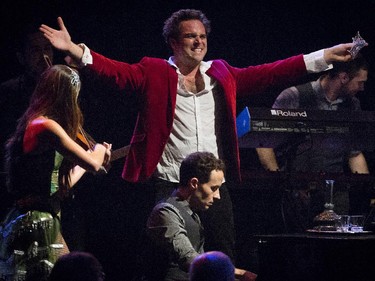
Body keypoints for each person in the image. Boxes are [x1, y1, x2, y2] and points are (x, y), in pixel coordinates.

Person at [39, 9, 361, 263]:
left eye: (203, 36)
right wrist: (75, 49)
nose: (198, 42)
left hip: (213, 187)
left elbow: (272, 71)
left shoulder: (220, 73)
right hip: (170, 184)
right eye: (190, 37)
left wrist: (324, 56)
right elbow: (114, 70)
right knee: (167, 260)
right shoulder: (154, 71)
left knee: (221, 256)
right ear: (174, 43)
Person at [0, 65, 111, 281]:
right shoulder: (45, 125)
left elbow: (64, 184)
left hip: (47, 217)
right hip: (35, 221)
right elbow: (93, 164)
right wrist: (98, 151)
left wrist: (92, 160)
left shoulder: (43, 124)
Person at [256, 55, 370, 230]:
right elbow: (263, 142)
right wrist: (280, 181)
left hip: (335, 194)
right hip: (298, 193)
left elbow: (354, 152)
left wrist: (369, 191)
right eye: (360, 82)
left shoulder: (352, 105)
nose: (362, 88)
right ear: (343, 77)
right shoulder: (295, 96)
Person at [141, 152, 257, 281]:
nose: (218, 196)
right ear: (194, 183)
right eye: (214, 188)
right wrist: (240, 273)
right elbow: (188, 258)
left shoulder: (192, 212)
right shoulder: (165, 211)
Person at [0, 23, 54, 218]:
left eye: (47, 48)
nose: (44, 56)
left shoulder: (61, 91)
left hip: (58, 193)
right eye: (35, 50)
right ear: (21, 57)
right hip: (18, 194)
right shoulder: (8, 92)